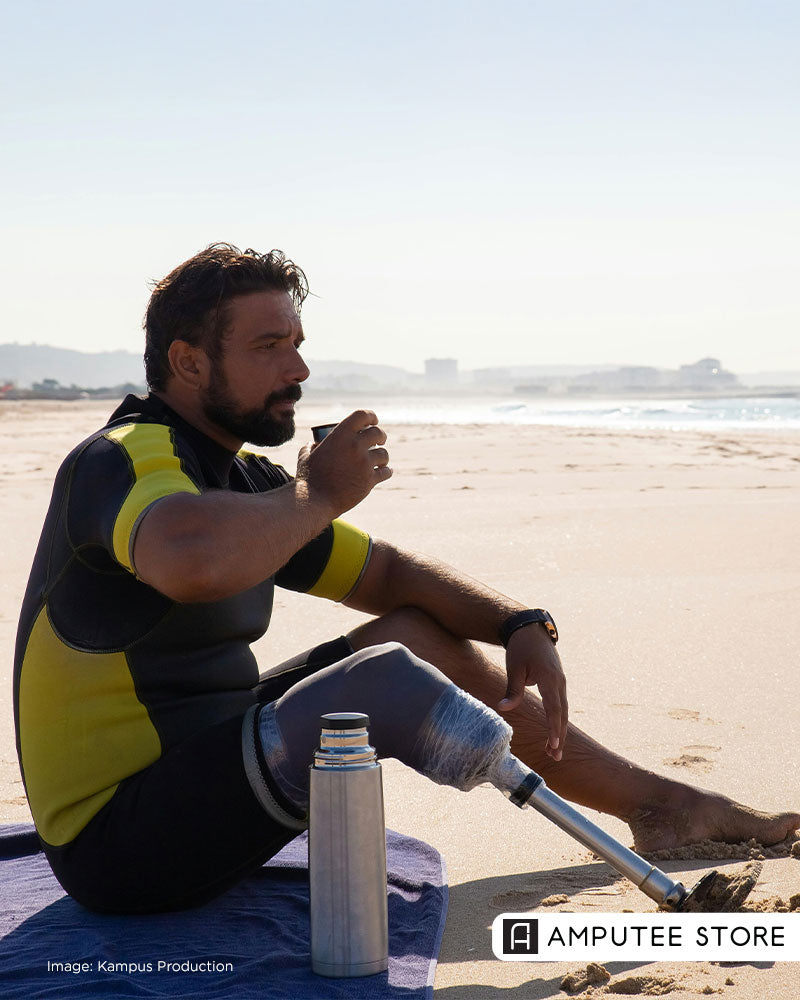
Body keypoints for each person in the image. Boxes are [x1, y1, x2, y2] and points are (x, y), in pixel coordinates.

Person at [13, 244, 798, 914]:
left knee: (412, 639)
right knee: (388, 683)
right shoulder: (122, 457)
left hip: (201, 770)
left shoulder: (246, 484)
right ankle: (668, 896)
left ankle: (659, 808)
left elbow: (385, 574)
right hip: (119, 845)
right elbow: (190, 561)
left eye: (298, 341)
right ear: (188, 361)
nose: (300, 367)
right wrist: (318, 492)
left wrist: (521, 620)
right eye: (269, 347)